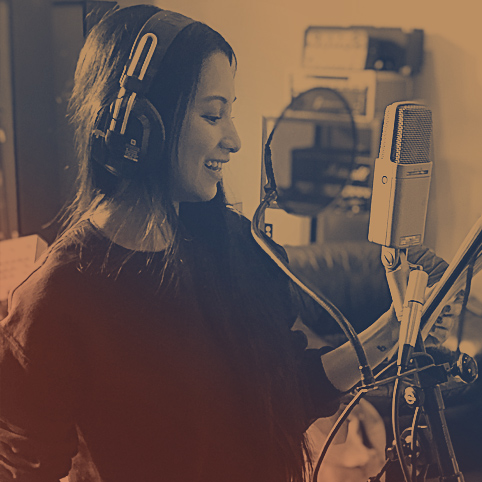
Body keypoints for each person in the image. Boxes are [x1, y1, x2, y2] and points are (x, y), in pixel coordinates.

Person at [0, 5, 448, 482]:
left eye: (229, 113)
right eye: (213, 115)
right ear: (140, 126)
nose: (234, 139)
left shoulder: (235, 244)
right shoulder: (54, 301)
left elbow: (290, 395)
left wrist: (399, 327)